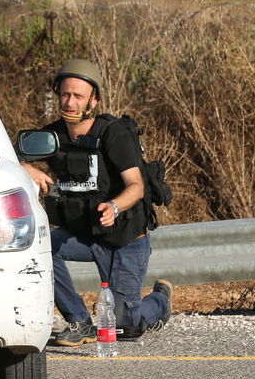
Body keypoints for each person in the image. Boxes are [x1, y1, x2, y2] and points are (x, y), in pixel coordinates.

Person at [22, 59, 172, 346]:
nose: (69, 102)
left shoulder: (114, 134)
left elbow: (136, 187)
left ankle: (160, 302)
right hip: (85, 235)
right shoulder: (51, 136)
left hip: (124, 238)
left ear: (93, 100)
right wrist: (29, 169)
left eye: (78, 96)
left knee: (125, 328)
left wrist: (114, 206)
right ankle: (79, 322)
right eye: (65, 94)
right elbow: (5, 158)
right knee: (40, 247)